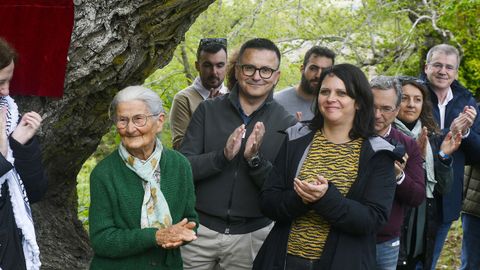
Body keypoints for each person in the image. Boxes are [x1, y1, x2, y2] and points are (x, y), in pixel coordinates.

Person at [253, 64, 397, 270]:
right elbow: (268, 201)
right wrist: (300, 199)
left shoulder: (378, 153)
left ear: (358, 102)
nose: (331, 99)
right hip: (284, 260)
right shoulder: (296, 138)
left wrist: (326, 199)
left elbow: (372, 220)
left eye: (342, 93)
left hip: (343, 262)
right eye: (325, 92)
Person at [179, 38, 296, 270]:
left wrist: (254, 160)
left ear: (277, 76)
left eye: (266, 70)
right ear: (238, 70)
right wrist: (222, 157)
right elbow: (184, 168)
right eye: (249, 68)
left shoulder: (287, 124)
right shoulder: (207, 110)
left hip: (251, 236)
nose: (256, 76)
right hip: (199, 230)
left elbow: (284, 190)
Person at [89, 86, 198, 269]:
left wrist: (182, 234)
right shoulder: (104, 174)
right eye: (122, 120)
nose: (130, 129)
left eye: (139, 119)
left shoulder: (180, 165)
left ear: (159, 121)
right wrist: (155, 237)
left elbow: (191, 218)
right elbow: (101, 240)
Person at [421, 44, 480, 269]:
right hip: (416, 191)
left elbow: (476, 155)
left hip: (447, 196)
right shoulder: (413, 95)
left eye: (449, 67)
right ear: (426, 67)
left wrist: (464, 132)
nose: (443, 71)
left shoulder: (467, 100)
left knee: (431, 261)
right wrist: (451, 132)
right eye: (437, 65)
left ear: (455, 72)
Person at [393, 76, 460, 269]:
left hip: (424, 221)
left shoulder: (432, 136)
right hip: (396, 223)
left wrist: (443, 157)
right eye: (404, 98)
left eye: (417, 99)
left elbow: (444, 187)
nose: (411, 105)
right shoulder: (386, 134)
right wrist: (415, 158)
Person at [0, 38, 47, 270]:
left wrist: (20, 144)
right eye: (0, 82)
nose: (6, 91)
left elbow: (36, 191)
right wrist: (6, 149)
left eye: (9, 81)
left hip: (10, 249)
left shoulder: (9, 116)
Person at [369, 76, 425, 270]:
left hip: (386, 240)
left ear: (396, 110)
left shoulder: (407, 143)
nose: (377, 115)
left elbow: (417, 195)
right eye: (372, 106)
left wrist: (398, 176)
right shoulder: (348, 135)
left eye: (385, 109)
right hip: (347, 235)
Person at [170, 38, 228, 149]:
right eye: (207, 65)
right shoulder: (184, 99)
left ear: (227, 66)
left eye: (219, 65)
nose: (214, 72)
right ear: (197, 66)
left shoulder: (234, 95)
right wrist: (207, 114)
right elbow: (180, 148)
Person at [275, 46, 335, 121]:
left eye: (325, 70)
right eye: (313, 68)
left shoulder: (333, 106)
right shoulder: (277, 101)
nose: (318, 75)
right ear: (302, 69)